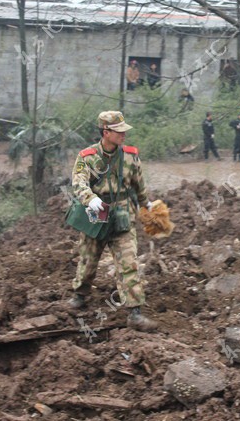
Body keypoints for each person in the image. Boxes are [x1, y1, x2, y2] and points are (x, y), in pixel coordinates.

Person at [67, 111, 157, 332]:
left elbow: (139, 183)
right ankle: (80, 294)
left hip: (123, 215)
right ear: (106, 132)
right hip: (96, 215)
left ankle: (135, 312)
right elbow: (78, 183)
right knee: (88, 260)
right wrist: (90, 199)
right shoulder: (87, 157)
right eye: (119, 131)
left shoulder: (130, 155)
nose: (124, 135)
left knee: (129, 262)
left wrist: (147, 203)